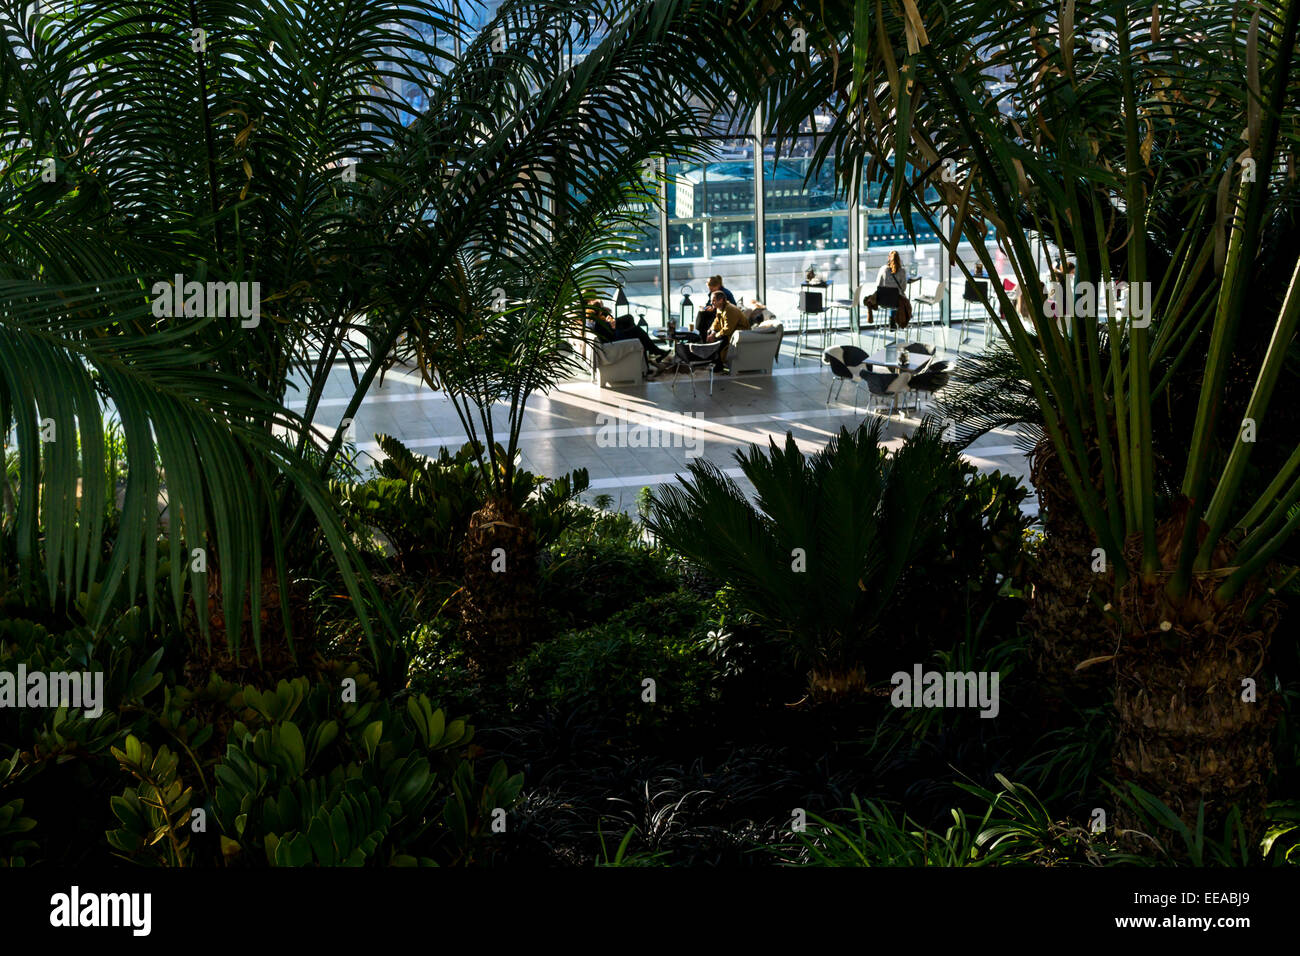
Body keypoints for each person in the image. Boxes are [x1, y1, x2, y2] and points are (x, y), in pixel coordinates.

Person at [863, 251, 913, 326]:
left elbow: (878, 285)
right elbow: (903, 288)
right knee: (898, 297)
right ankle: (894, 318)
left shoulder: (883, 269)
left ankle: (892, 319)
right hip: (896, 302)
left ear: (888, 258)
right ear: (899, 259)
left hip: (882, 301)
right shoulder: (902, 271)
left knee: (890, 295)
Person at [704, 289, 750, 369]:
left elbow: (728, 329)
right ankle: (713, 361)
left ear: (721, 300)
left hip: (739, 334)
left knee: (719, 342)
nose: (711, 303)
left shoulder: (729, 310)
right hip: (730, 332)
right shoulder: (720, 308)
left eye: (713, 301)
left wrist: (715, 336)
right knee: (709, 333)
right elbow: (716, 321)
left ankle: (719, 364)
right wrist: (712, 331)